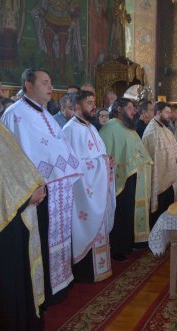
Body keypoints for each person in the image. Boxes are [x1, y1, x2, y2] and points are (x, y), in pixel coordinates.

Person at [2, 68, 82, 305]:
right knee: (41, 241)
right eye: (45, 82)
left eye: (51, 82)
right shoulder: (14, 114)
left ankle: (58, 285)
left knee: (58, 239)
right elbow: (13, 159)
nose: (50, 87)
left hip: (58, 192)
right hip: (37, 193)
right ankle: (42, 292)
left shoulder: (46, 114)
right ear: (28, 84)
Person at [0, 60, 45, 330]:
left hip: (13, 216)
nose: (0, 92)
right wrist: (24, 200)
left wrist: (32, 187)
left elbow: (12, 167)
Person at [62, 91, 115, 282]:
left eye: (94, 102)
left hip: (97, 188)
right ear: (77, 106)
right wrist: (101, 165)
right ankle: (85, 273)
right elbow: (73, 166)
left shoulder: (91, 128)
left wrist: (107, 161)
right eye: (89, 103)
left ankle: (99, 269)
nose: (93, 106)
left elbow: (98, 156)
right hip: (84, 193)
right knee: (86, 226)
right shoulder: (70, 130)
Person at [99, 98, 153, 261]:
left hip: (132, 176)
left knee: (128, 211)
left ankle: (127, 243)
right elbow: (106, 152)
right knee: (119, 213)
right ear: (119, 109)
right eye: (129, 108)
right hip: (118, 178)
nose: (133, 111)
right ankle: (117, 248)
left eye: (133, 108)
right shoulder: (110, 128)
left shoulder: (128, 127)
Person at [142, 102, 177, 229]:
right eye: (166, 112)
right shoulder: (151, 131)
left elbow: (173, 150)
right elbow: (156, 157)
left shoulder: (165, 129)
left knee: (168, 208)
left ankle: (166, 237)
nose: (169, 115)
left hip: (168, 179)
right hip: (158, 178)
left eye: (170, 112)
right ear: (158, 113)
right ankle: (156, 240)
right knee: (159, 212)